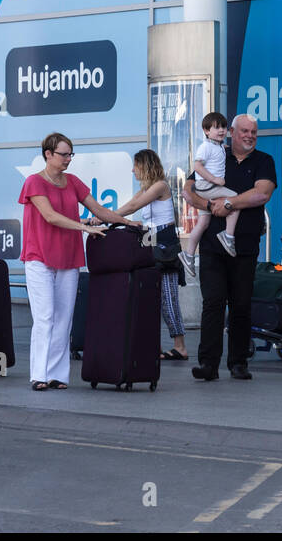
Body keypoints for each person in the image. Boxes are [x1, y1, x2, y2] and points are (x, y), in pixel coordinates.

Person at [18, 133, 135, 391]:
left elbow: (99, 210)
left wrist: (127, 222)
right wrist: (83, 228)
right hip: (39, 257)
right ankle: (39, 374)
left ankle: (57, 375)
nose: (68, 159)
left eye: (71, 154)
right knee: (45, 316)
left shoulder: (73, 182)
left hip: (68, 258)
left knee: (64, 319)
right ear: (48, 154)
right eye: (64, 154)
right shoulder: (34, 182)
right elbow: (50, 216)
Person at [181, 114, 276, 382]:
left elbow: (263, 193)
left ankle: (238, 362)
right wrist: (211, 206)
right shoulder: (215, 154)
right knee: (212, 303)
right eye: (244, 131)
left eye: (254, 132)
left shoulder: (263, 161)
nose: (249, 136)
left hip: (244, 245)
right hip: (212, 245)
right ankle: (208, 364)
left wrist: (231, 204)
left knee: (241, 304)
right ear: (232, 132)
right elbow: (189, 189)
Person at [114, 149, 189, 362]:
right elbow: (129, 205)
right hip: (152, 245)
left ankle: (180, 346)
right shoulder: (147, 188)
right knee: (150, 298)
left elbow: (133, 206)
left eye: (135, 165)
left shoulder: (160, 186)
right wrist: (106, 217)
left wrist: (106, 216)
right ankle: (152, 344)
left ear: (145, 165)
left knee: (168, 298)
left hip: (166, 247)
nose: (132, 170)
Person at [179, 112, 239, 276]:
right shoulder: (205, 147)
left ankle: (189, 254)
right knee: (234, 201)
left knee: (203, 223)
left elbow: (218, 153)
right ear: (206, 130)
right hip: (206, 186)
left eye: (223, 127)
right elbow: (197, 166)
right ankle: (228, 236)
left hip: (207, 187)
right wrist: (215, 179)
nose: (221, 130)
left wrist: (225, 148)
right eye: (216, 127)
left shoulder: (218, 146)